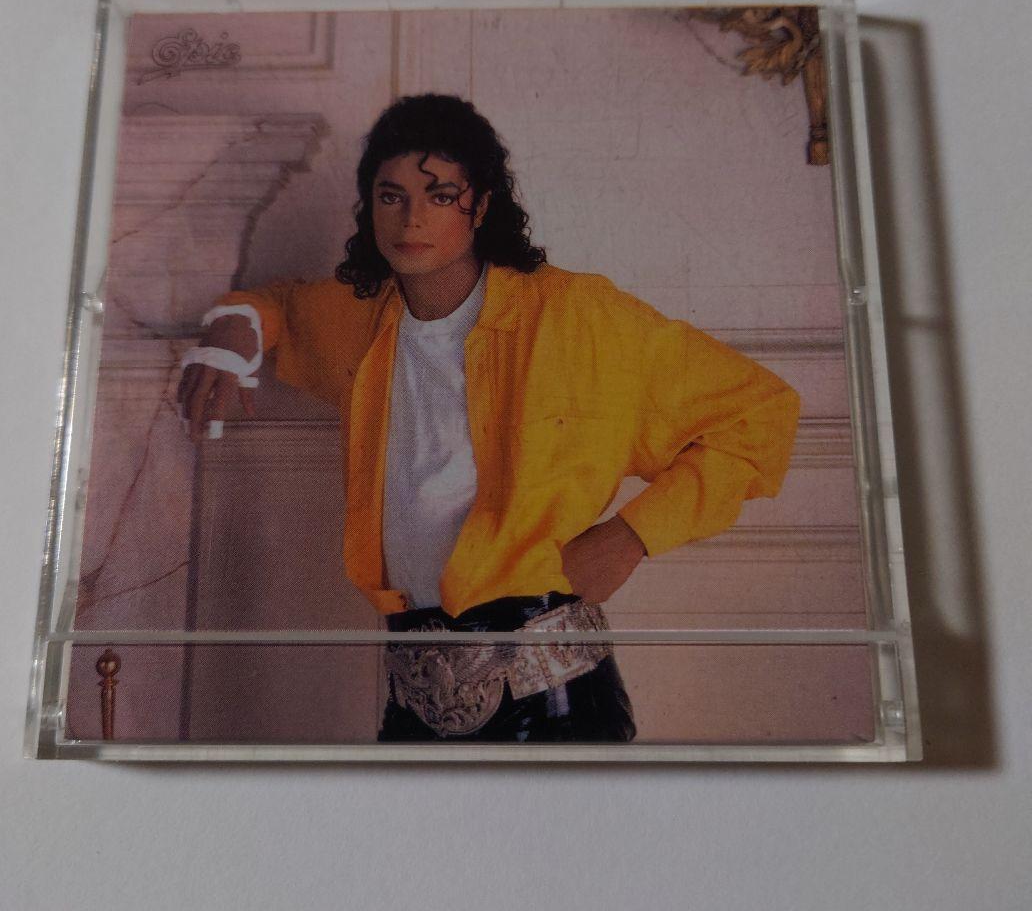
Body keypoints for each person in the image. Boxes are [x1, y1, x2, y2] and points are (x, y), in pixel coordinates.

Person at [178, 93, 801, 743]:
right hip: (414, 699)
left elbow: (760, 413)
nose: (412, 218)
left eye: (440, 195)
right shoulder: (362, 318)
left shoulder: (574, 314)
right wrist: (234, 327)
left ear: (479, 206)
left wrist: (631, 536)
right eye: (391, 197)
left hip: (555, 698)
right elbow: (278, 305)